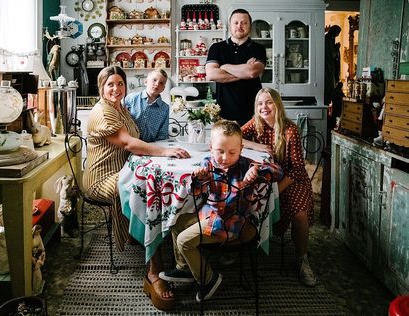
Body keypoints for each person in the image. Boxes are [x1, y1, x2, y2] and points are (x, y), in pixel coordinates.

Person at [82, 66, 190, 310]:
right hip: (103, 176)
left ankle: (155, 237)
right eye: (110, 84)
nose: (116, 89)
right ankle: (154, 271)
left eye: (120, 84)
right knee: (146, 195)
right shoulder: (103, 112)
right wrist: (164, 151)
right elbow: (129, 143)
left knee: (156, 187)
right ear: (101, 86)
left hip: (125, 170)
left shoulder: (121, 107)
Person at [159, 120, 283, 302]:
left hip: (231, 224)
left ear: (240, 149)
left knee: (184, 241)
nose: (225, 157)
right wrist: (198, 178)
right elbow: (195, 191)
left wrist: (257, 168)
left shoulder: (245, 165)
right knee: (175, 221)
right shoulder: (208, 163)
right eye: (220, 151)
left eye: (232, 152)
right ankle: (184, 267)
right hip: (209, 215)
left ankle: (209, 278)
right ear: (211, 148)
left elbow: (277, 171)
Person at [241, 87, 317, 287]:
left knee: (299, 213)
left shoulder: (289, 130)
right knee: (239, 198)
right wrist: (256, 146)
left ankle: (302, 259)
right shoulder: (255, 124)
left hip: (292, 181)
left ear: (277, 105)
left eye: (269, 102)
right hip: (266, 179)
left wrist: (276, 191)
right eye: (260, 103)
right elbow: (234, 136)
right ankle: (239, 246)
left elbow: (299, 169)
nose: (264, 107)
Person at [205, 8, 266, 126]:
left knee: (251, 145)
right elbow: (211, 74)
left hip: (253, 115)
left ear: (250, 26)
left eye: (244, 23)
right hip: (222, 115)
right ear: (230, 25)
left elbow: (252, 72)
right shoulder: (217, 48)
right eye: (236, 22)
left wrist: (224, 66)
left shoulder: (258, 49)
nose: (240, 26)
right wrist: (244, 71)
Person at [124, 69, 169, 142]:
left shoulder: (165, 108)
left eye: (161, 83)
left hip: (150, 147)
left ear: (163, 88)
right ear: (146, 82)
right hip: (129, 144)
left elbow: (162, 134)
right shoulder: (131, 98)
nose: (157, 84)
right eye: (154, 80)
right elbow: (120, 118)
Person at [324, 25, 342, 106]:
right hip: (328, 67)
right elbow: (331, 54)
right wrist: (337, 48)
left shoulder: (330, 39)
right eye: (337, 33)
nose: (337, 35)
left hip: (331, 67)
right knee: (328, 88)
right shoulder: (327, 39)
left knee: (331, 88)